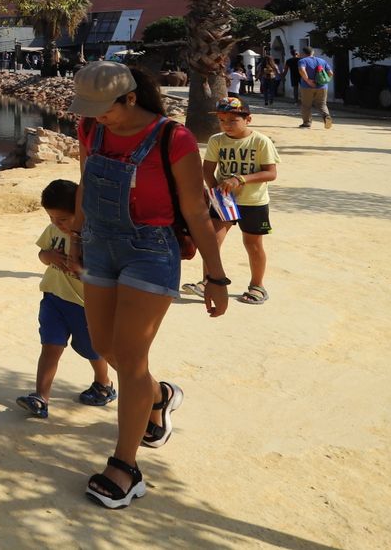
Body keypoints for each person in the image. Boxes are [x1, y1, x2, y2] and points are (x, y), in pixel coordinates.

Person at [69, 61, 229, 509]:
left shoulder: (171, 139)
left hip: (150, 249)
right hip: (100, 243)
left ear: (131, 98)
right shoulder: (91, 129)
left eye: (105, 108)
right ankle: (160, 396)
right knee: (106, 347)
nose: (97, 116)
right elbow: (86, 183)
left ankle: (126, 465)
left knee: (132, 356)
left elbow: (196, 212)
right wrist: (76, 235)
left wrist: (215, 277)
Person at [15, 178, 116, 420]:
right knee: (50, 347)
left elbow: (103, 277)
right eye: (52, 219)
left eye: (63, 219)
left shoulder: (92, 239)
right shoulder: (52, 231)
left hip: (84, 306)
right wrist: (49, 256)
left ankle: (103, 384)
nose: (57, 224)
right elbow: (41, 254)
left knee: (93, 350)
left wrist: (80, 271)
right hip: (53, 299)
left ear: (79, 213)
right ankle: (41, 397)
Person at [182, 97, 279, 305]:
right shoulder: (217, 140)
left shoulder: (260, 141)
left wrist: (240, 179)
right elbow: (207, 170)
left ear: (248, 119)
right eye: (222, 120)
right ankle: (208, 282)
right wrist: (216, 189)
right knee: (212, 241)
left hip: (253, 201)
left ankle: (257, 286)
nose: (227, 125)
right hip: (224, 201)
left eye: (233, 120)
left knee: (253, 244)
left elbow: (271, 173)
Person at [294, 47, 334, 129]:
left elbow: (302, 70)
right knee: (322, 104)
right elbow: (330, 73)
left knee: (306, 105)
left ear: (303, 53)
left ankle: (307, 123)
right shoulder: (322, 61)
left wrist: (308, 80)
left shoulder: (302, 61)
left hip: (307, 87)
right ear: (313, 52)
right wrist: (325, 81)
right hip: (322, 87)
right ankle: (326, 117)